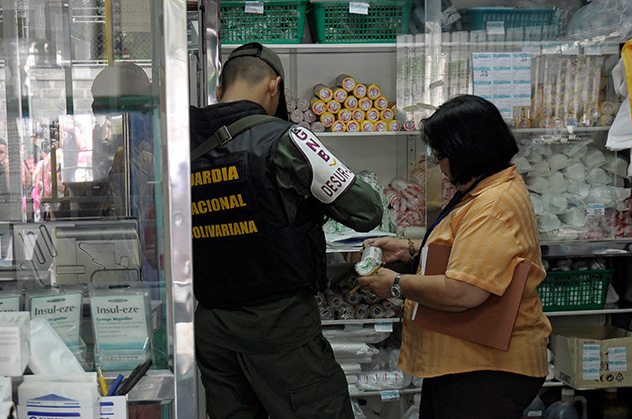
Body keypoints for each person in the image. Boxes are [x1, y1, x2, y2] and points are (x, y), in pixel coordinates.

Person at [189, 42, 383, 419]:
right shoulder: (287, 140)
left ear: (219, 89)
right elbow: (367, 210)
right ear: (274, 87)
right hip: (277, 325)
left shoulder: (181, 142)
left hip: (211, 322)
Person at [358, 95, 551, 418]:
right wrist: (410, 249)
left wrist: (397, 284)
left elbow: (465, 291)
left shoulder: (492, 205)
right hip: (463, 362)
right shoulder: (486, 190)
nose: (438, 162)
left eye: (441, 154)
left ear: (466, 151)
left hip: (485, 368)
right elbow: (476, 255)